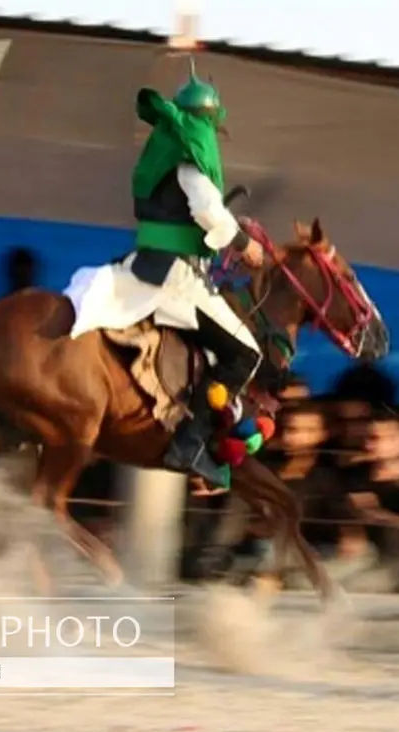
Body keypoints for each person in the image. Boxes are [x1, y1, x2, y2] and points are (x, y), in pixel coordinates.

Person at [128, 65, 267, 487]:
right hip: (175, 276)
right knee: (246, 354)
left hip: (146, 262)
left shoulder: (163, 146)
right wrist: (244, 244)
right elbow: (206, 210)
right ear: (210, 119)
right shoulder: (191, 149)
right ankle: (190, 445)